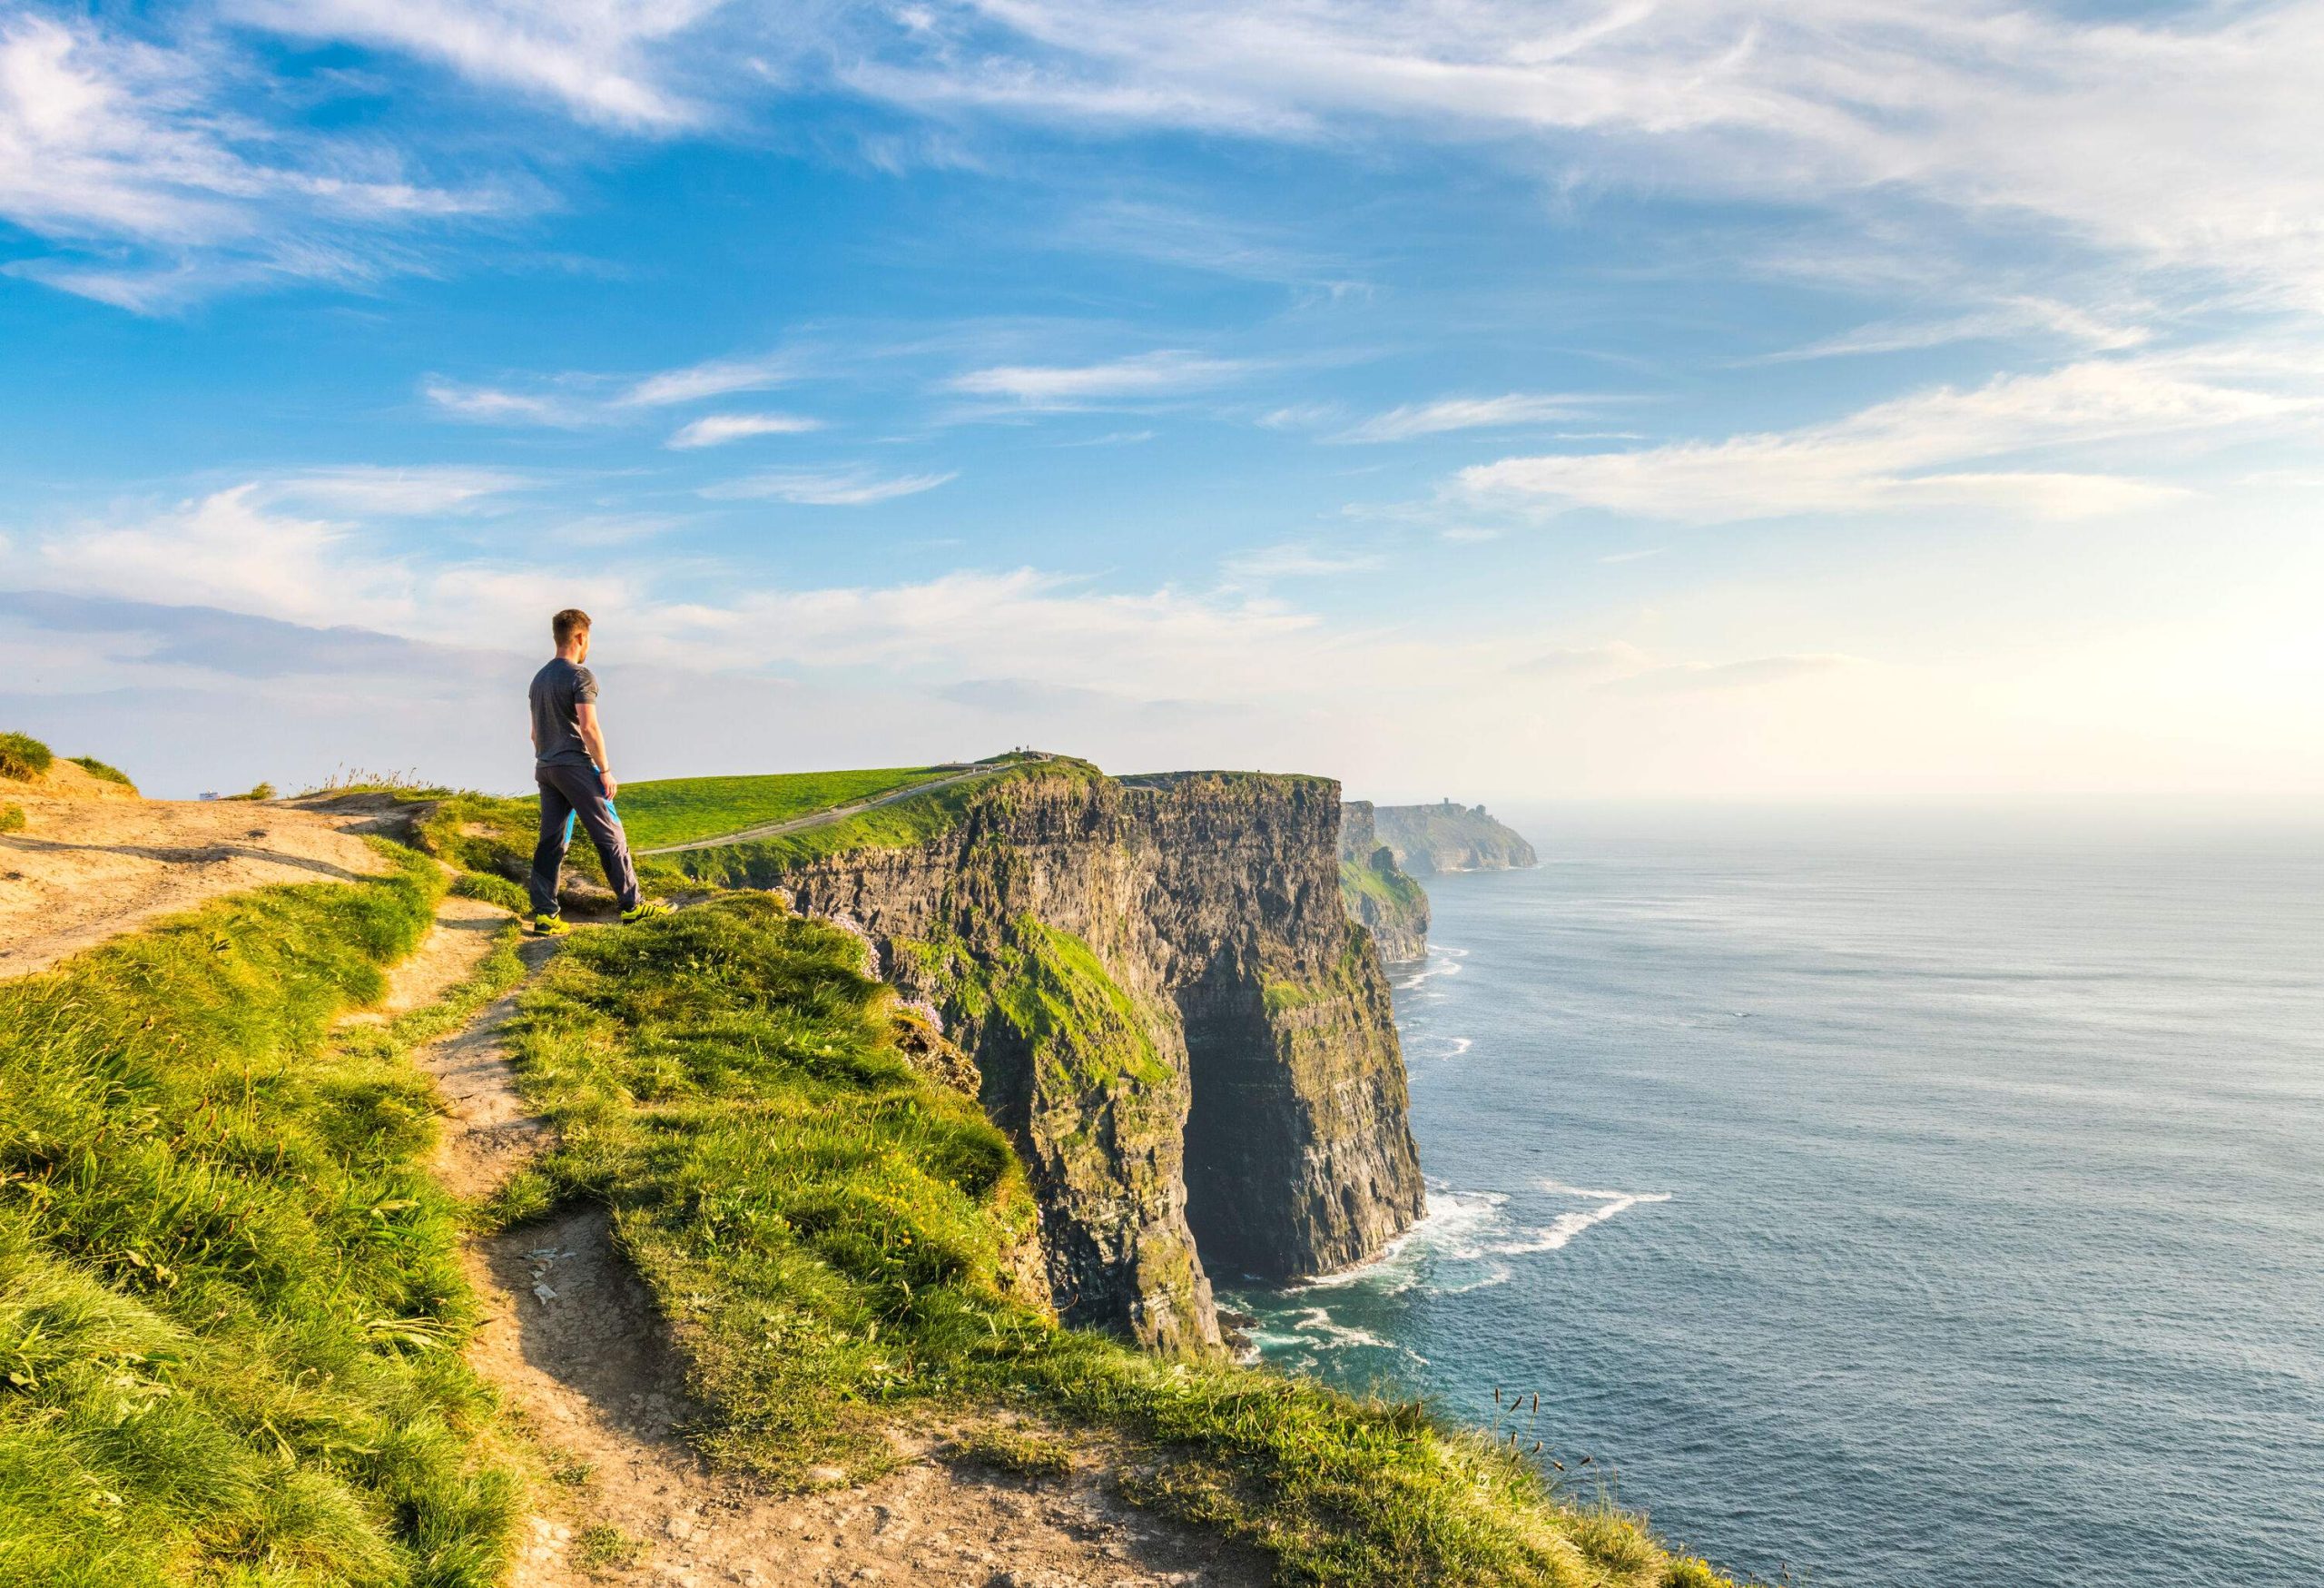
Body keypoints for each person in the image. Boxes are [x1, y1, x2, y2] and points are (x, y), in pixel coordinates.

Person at [527, 608, 668, 934]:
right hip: (574, 766)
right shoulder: (580, 676)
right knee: (611, 835)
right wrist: (605, 770)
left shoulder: (539, 679)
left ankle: (546, 916)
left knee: (552, 842)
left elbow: (534, 734)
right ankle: (633, 907)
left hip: (546, 767)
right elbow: (588, 727)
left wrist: (551, 757)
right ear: (581, 637)